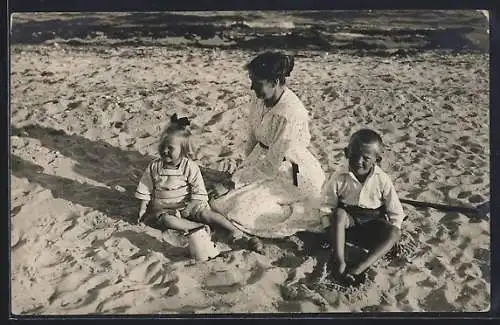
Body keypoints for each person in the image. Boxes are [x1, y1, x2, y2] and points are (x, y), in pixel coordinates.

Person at [211, 51, 326, 241]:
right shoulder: (259, 100)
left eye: (257, 83)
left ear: (275, 81)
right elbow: (253, 138)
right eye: (252, 81)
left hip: (292, 171)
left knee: (240, 207)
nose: (252, 87)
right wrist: (242, 170)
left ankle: (296, 215)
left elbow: (274, 162)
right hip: (262, 162)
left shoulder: (292, 114)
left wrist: (233, 182)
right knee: (223, 200)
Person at [135, 113, 244, 240]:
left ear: (183, 150)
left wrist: (191, 206)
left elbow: (199, 191)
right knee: (166, 220)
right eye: (162, 147)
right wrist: (143, 209)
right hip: (166, 208)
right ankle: (198, 227)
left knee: (206, 213)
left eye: (170, 148)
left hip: (189, 205)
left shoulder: (189, 167)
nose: (165, 151)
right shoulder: (154, 166)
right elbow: (146, 188)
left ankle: (232, 229)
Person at [322, 129, 405, 285]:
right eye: (354, 156)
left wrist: (392, 233)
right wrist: (329, 229)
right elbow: (327, 205)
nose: (358, 161)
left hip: (373, 223)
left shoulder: (382, 179)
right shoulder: (339, 177)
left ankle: (361, 267)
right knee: (338, 214)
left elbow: (396, 212)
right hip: (349, 223)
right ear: (346, 153)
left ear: (377, 159)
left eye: (366, 158)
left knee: (394, 232)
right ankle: (340, 259)